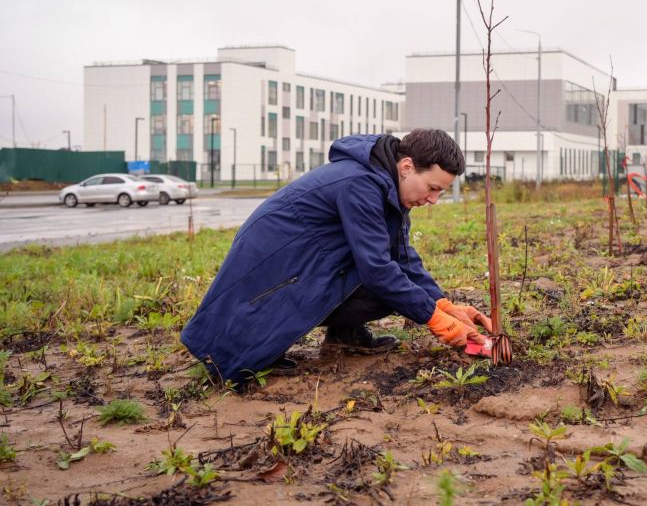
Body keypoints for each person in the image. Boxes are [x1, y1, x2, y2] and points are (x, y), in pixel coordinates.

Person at [180, 129, 493, 384]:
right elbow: (377, 269)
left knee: (395, 288)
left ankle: (345, 335)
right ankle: (233, 348)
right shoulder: (360, 183)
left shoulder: (389, 189)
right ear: (407, 166)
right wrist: (434, 318)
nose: (435, 200)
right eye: (432, 188)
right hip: (275, 265)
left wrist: (441, 304)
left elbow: (402, 257)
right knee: (244, 359)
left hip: (310, 263)